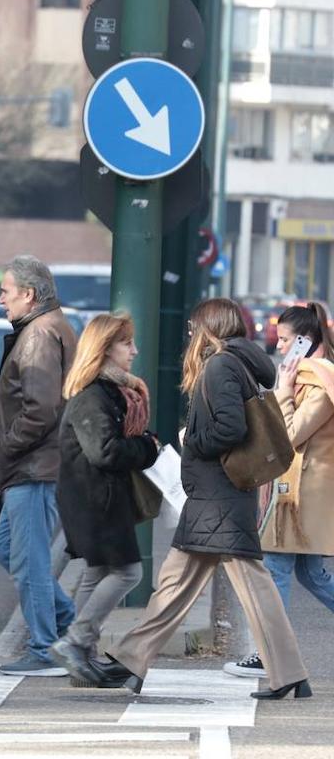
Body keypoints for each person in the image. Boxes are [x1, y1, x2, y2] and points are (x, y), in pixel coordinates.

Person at [97, 298, 310, 700]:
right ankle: (130, 660)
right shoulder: (241, 362)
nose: (191, 336)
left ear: (210, 327)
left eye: (194, 329)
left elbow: (229, 427)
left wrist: (191, 441)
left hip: (219, 496)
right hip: (220, 495)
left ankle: (289, 673)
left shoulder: (220, 365)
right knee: (175, 584)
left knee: (251, 587)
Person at [48, 314, 159, 685]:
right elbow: (105, 452)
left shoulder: (104, 391)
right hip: (96, 500)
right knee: (129, 572)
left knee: (97, 573)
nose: (135, 351)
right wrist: (147, 447)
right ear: (105, 348)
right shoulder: (93, 395)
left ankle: (82, 656)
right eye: (127, 344)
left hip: (94, 498)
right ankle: (76, 643)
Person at [225, 303, 334, 680]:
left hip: (301, 493)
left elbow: (287, 435)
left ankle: (269, 653)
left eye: (287, 340)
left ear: (306, 341)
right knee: (312, 575)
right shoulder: (311, 377)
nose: (281, 347)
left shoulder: (319, 382)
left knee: (276, 568)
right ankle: (269, 651)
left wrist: (284, 392)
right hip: (299, 491)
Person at [0, 255, 79, 676]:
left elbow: (41, 408)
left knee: (28, 562)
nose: (0, 299)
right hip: (33, 465)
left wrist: (9, 446)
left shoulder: (40, 334)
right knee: (8, 550)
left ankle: (46, 648)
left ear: (28, 294)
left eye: (6, 291)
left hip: (34, 466)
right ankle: (70, 625)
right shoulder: (44, 328)